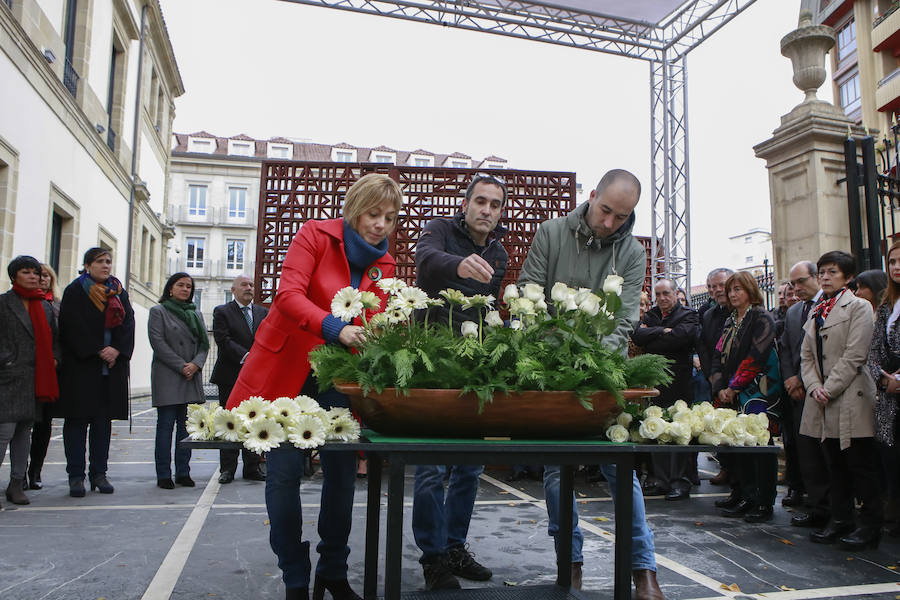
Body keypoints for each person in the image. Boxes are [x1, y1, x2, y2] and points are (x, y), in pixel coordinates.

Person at [225, 173, 403, 600]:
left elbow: (375, 318)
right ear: (355, 207)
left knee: (342, 476)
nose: (380, 224)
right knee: (283, 475)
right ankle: (295, 577)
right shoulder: (314, 236)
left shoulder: (386, 264)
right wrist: (334, 326)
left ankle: (333, 570)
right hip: (287, 372)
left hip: (339, 377)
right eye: (373, 213)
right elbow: (287, 296)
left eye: (390, 218)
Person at [517, 168, 663, 600]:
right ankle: (570, 563)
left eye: (621, 217)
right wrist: (561, 354)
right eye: (605, 211)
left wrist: (593, 359)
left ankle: (643, 569)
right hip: (552, 371)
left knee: (620, 465)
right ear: (593, 195)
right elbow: (530, 294)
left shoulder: (633, 254)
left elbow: (626, 320)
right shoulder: (551, 233)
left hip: (603, 373)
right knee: (556, 470)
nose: (609, 224)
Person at [411, 173, 507, 590]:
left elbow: (485, 304)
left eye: (495, 204)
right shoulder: (438, 230)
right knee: (431, 465)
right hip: (430, 357)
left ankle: (454, 546)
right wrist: (458, 265)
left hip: (474, 363)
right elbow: (426, 264)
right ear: (466, 204)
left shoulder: (500, 254)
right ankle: (433, 558)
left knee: (471, 463)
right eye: (480, 201)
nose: (487, 210)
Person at [801, 251, 881, 550]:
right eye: (821, 272)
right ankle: (841, 518)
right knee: (833, 463)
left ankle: (870, 525)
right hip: (821, 397)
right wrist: (813, 386)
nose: (825, 277)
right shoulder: (816, 310)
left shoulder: (859, 307)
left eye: (832, 272)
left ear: (848, 277)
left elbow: (855, 354)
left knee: (859, 464)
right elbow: (806, 355)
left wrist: (829, 388)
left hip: (850, 395)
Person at [59, 247, 134, 497]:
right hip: (82, 368)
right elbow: (70, 326)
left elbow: (128, 324)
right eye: (100, 261)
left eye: (109, 261)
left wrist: (117, 350)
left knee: (103, 425)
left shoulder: (119, 292)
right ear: (88, 265)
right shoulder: (75, 290)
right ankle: (76, 476)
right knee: (77, 424)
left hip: (110, 370)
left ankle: (99, 474)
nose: (106, 266)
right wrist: (97, 349)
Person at [710, 271, 781, 523]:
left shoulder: (762, 317)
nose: (732, 294)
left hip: (758, 392)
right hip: (731, 392)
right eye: (730, 290)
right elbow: (717, 355)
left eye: (738, 289)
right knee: (737, 443)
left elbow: (756, 356)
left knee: (760, 444)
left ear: (750, 290)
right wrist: (720, 387)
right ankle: (742, 494)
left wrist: (734, 386)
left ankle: (763, 501)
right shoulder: (730, 320)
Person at [631, 279, 699, 501]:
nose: (662, 298)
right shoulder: (650, 315)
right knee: (656, 428)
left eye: (666, 293)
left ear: (675, 293)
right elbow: (638, 336)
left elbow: (681, 339)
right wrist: (663, 331)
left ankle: (681, 481)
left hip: (679, 382)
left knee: (680, 431)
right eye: (658, 294)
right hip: (656, 383)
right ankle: (658, 478)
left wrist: (655, 335)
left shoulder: (688, 314)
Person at [0, 256, 59, 506]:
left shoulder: (44, 306)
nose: (34, 276)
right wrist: (7, 360)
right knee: (4, 432)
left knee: (24, 432)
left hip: (36, 379)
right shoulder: (3, 303)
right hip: (8, 377)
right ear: (14, 276)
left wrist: (54, 359)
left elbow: (55, 339)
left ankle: (16, 484)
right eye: (27, 272)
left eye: (36, 272)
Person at [780, 261, 829, 526]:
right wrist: (790, 378)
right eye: (793, 284)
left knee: (826, 453)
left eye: (801, 281)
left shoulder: (830, 306)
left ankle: (831, 508)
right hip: (797, 393)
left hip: (823, 388)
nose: (796, 288)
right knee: (806, 452)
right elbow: (787, 348)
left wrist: (803, 380)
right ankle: (817, 505)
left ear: (816, 278)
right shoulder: (793, 312)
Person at [149, 273, 208, 489]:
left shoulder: (196, 314)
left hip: (191, 376)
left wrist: (195, 364)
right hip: (168, 375)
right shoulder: (159, 311)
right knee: (165, 426)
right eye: (180, 285)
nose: (185, 289)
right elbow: (157, 342)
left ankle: (184, 472)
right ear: (170, 288)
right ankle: (163, 473)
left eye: (189, 286)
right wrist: (181, 365)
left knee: (186, 429)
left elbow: (204, 344)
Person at [210, 274, 268, 483]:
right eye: (244, 284)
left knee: (254, 420)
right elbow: (222, 339)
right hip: (230, 375)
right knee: (230, 423)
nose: (249, 288)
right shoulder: (222, 311)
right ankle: (227, 469)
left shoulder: (263, 312)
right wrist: (247, 357)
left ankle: (252, 467)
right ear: (233, 289)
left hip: (257, 377)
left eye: (252, 285)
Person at [868, 241, 900, 534]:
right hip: (888, 397)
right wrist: (883, 377)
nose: (896, 267)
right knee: (891, 459)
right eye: (891, 261)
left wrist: (898, 379)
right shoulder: (887, 305)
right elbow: (874, 350)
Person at [697, 268, 733, 488]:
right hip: (715, 381)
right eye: (711, 287)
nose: (716, 290)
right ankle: (726, 469)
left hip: (740, 383)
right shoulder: (709, 314)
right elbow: (705, 347)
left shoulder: (745, 312)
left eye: (721, 285)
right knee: (721, 430)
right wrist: (711, 376)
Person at [26, 263, 61, 490]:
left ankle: (35, 470)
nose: (43, 279)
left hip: (50, 372)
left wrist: (57, 358)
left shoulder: (57, 306)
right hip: (24, 371)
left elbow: (61, 337)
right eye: (40, 275)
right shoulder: (23, 303)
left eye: (47, 275)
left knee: (43, 425)